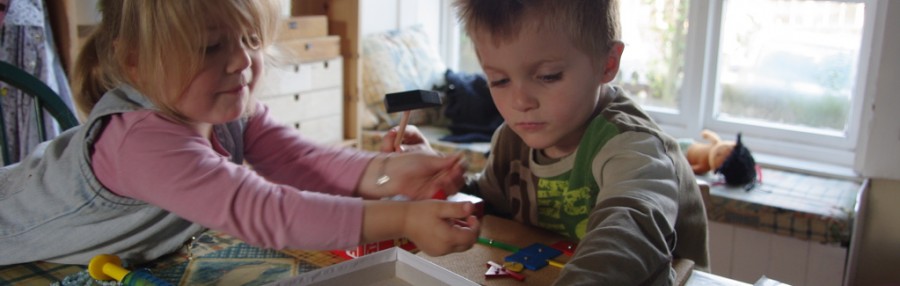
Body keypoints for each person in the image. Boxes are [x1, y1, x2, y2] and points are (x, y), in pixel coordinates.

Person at [0, 0, 480, 266]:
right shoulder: (139, 139)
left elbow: (305, 162)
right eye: (210, 47)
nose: (241, 62)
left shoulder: (229, 110)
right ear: (136, 63)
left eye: (250, 40)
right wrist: (404, 219)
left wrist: (392, 174)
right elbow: (264, 211)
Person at [384, 0, 708, 284]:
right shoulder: (512, 139)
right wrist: (442, 183)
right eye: (499, 80)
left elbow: (630, 236)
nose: (520, 101)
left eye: (548, 75)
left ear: (607, 63)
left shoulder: (635, 147)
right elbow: (495, 206)